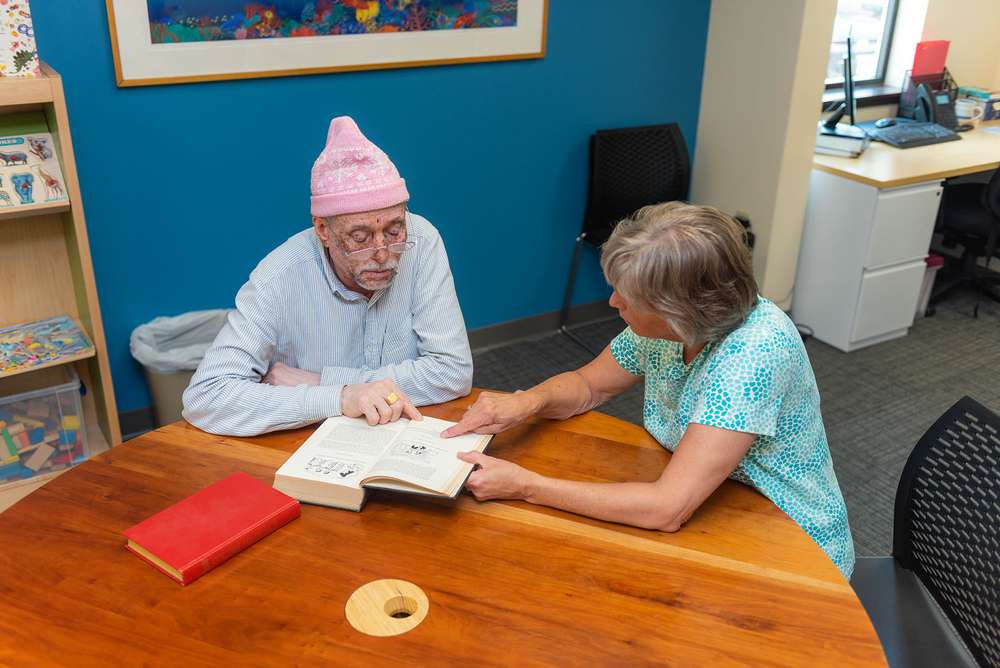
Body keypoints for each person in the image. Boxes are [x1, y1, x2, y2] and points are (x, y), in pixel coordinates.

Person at [443, 202, 855, 578]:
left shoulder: (755, 354)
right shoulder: (669, 329)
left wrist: (527, 486)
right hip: (715, 505)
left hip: (789, 545)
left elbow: (666, 509)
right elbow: (588, 385)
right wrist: (527, 402)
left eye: (629, 295)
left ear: (679, 309)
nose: (612, 302)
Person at [183, 116, 472, 437]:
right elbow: (207, 395)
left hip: (405, 432)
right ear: (323, 230)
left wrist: (324, 383)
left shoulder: (422, 240)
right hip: (303, 442)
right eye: (360, 237)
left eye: (393, 230)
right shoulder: (279, 276)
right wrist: (340, 398)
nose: (382, 253)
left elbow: (452, 371)